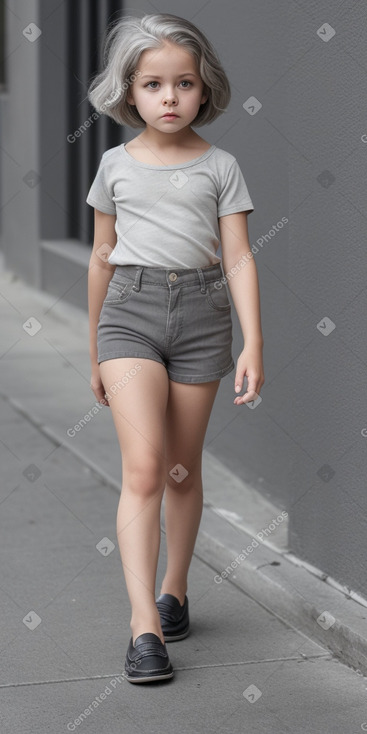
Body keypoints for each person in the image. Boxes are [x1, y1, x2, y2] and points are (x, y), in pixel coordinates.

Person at [85, 12, 265, 684]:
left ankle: (175, 590)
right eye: (153, 84)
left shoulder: (221, 166)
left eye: (182, 83)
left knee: (181, 470)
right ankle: (143, 627)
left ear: (202, 88)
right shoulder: (112, 165)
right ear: (128, 92)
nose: (168, 97)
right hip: (128, 315)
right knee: (144, 467)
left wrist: (252, 340)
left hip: (201, 315)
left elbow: (239, 257)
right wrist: (92, 346)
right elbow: (102, 255)